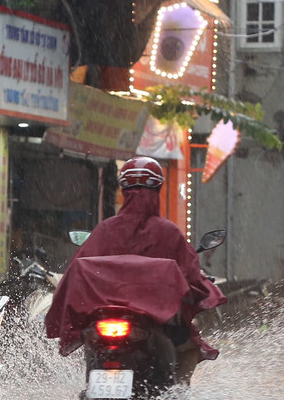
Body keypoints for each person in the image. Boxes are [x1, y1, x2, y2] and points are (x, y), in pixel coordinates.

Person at [47, 156, 225, 385]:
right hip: (154, 323)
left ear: (124, 189)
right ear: (158, 189)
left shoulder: (105, 229)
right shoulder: (168, 232)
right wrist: (201, 288)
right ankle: (177, 399)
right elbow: (190, 276)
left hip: (104, 320)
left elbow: (76, 270)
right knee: (190, 348)